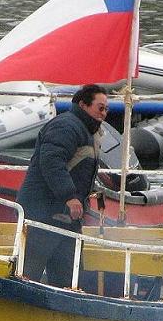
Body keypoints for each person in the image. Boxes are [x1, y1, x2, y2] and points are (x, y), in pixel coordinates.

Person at [18, 83, 108, 287]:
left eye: (106, 109)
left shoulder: (86, 130)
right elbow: (51, 162)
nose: (104, 114)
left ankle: (63, 304)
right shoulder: (66, 126)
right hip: (44, 212)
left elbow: (76, 168)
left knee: (68, 271)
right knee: (30, 269)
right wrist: (70, 196)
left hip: (66, 216)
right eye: (100, 108)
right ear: (84, 105)